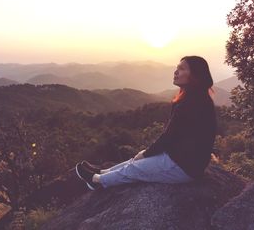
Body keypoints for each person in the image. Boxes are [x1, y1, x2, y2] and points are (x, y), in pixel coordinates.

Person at [75, 56, 218, 190]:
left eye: (181, 69)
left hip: (183, 167)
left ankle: (98, 181)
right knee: (135, 161)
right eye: (177, 68)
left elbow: (169, 136)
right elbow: (176, 137)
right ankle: (103, 172)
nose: (175, 72)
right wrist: (146, 154)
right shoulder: (196, 98)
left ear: (194, 75)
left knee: (134, 168)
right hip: (179, 158)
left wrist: (147, 153)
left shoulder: (192, 103)